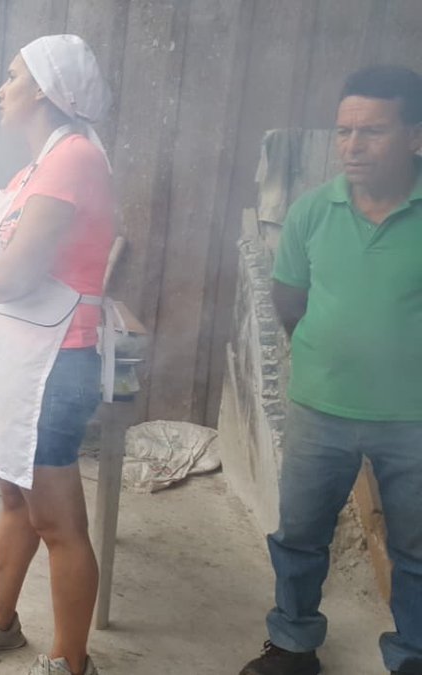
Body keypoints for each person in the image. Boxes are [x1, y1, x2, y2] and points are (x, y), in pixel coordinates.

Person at [239, 65, 422, 675]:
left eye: (372, 132)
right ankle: (293, 645)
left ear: (416, 137)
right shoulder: (314, 210)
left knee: (416, 549)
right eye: (344, 131)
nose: (352, 146)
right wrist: (330, 354)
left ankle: (412, 656)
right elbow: (289, 300)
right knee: (298, 537)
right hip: (320, 406)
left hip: (414, 419)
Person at [0, 35, 115, 675]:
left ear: (45, 89)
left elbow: (8, 276)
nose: (1, 88)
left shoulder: (74, 158)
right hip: (12, 357)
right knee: (14, 500)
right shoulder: (31, 171)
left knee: (58, 522)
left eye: (12, 75)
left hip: (54, 361)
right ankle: (0, 622)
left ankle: (70, 661)